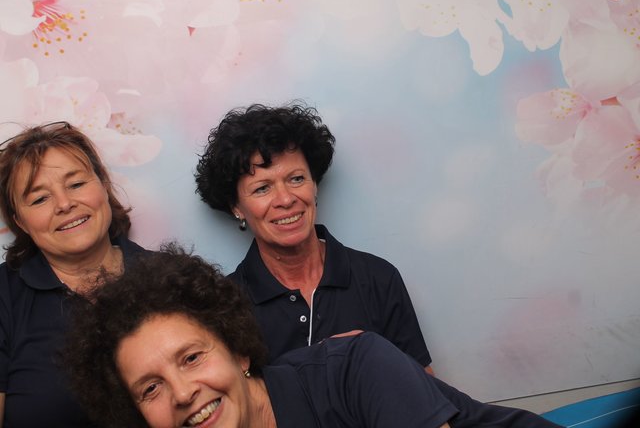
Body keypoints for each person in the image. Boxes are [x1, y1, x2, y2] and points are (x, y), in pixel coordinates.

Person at [62, 245, 562, 428]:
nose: (181, 393)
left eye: (191, 358)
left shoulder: (358, 367)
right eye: (150, 388)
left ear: (239, 352)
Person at [194, 103, 435, 374]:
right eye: (262, 188)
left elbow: (426, 390)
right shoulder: (224, 305)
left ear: (315, 185)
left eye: (296, 179)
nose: (286, 199)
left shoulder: (378, 279)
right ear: (236, 207)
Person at [0, 121, 147, 427]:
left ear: (103, 185)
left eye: (76, 184)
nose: (65, 204)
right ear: (20, 222)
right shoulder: (4, 296)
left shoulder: (176, 277)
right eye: (40, 199)